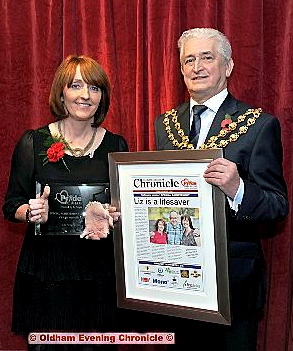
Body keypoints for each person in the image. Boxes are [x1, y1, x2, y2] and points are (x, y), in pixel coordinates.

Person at [154, 28, 288, 350]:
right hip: (175, 278)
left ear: (227, 67)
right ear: (181, 69)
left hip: (234, 283)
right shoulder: (164, 123)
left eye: (206, 57)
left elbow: (277, 205)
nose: (197, 66)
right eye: (189, 59)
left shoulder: (258, 124)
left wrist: (238, 188)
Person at [2, 55, 129, 350]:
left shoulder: (116, 145)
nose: (85, 95)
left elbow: (123, 208)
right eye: (76, 86)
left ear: (102, 97)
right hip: (47, 274)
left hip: (99, 277)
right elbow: (12, 204)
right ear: (62, 93)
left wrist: (116, 214)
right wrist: (31, 211)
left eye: (94, 88)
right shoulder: (33, 142)